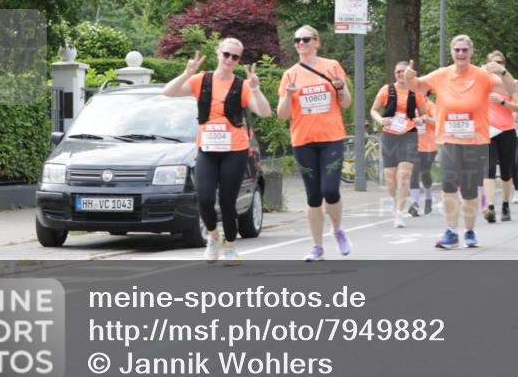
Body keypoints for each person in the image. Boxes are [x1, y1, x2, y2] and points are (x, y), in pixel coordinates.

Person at [162, 38, 272, 264]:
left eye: (235, 57)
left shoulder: (242, 85)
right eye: (226, 55)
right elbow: (168, 92)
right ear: (218, 53)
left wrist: (256, 90)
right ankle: (213, 237)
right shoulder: (200, 80)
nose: (230, 60)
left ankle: (230, 246)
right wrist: (186, 72)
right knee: (204, 198)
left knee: (227, 201)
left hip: (235, 150)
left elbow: (264, 112)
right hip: (207, 149)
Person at [404, 34, 518, 249]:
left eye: (465, 50)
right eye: (457, 50)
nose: (461, 54)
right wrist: (410, 77)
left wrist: (502, 71)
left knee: (468, 188)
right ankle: (451, 232)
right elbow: (418, 86)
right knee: (448, 183)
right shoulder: (441, 74)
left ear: (471, 52)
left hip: (475, 140)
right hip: (448, 138)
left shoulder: (483, 76)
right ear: (452, 52)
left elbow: (510, 90)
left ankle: (470, 231)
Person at [277, 25, 353, 261]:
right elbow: (282, 114)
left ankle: (338, 229)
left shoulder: (331, 66)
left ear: (317, 42)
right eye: (297, 40)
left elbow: (347, 103)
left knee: (330, 190)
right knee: (313, 196)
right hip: (303, 140)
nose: (301, 43)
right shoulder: (290, 74)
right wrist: (288, 96)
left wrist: (341, 88)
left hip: (331, 138)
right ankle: (317, 246)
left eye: (306, 39)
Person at [370, 61, 425, 228]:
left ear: (410, 74)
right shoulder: (387, 90)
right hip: (390, 135)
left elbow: (424, 115)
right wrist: (380, 120)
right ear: (395, 73)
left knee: (403, 177)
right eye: (398, 72)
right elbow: (374, 110)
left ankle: (399, 214)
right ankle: (396, 203)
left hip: (408, 135)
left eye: (404, 72)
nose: (401, 74)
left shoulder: (416, 92)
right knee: (390, 179)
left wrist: (419, 120)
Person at [482, 51, 518, 223]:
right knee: (489, 169)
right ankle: (490, 207)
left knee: (506, 172)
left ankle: (505, 204)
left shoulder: (512, 83)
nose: (497, 65)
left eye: (500, 62)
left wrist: (503, 101)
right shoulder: (483, 81)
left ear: (504, 64)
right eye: (493, 62)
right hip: (488, 131)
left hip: (507, 131)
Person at [410, 91, 438, 215]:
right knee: (414, 173)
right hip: (413, 145)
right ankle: (414, 203)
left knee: (425, 173)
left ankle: (428, 199)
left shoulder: (431, 105)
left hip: (429, 146)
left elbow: (438, 122)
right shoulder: (410, 105)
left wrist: (427, 119)